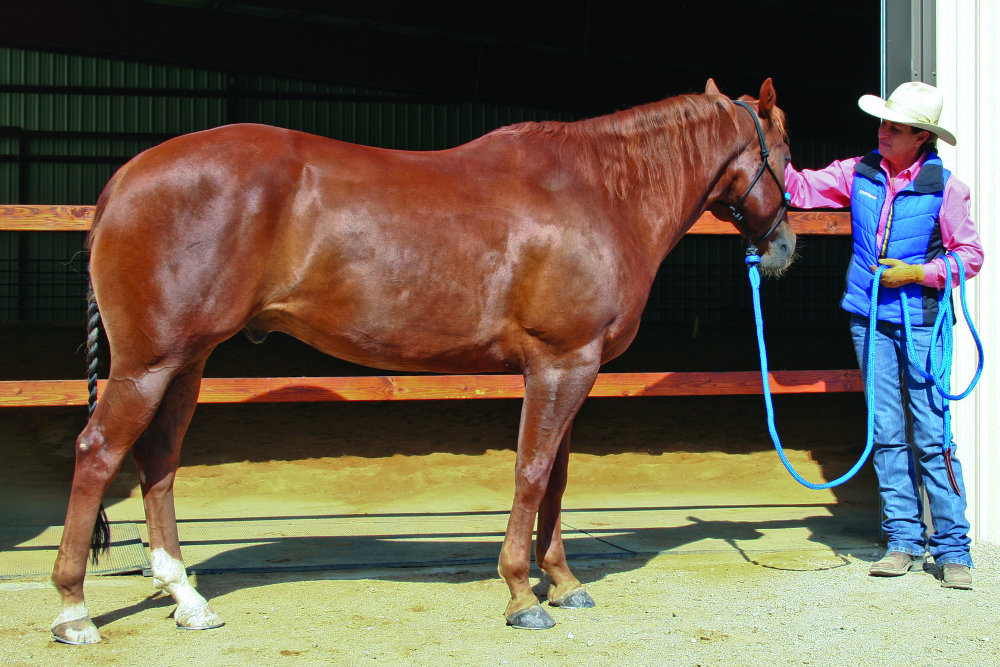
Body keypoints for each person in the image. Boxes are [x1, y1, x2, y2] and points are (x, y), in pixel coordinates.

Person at [783, 81, 984, 589]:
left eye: (895, 127)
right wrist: (758, 149)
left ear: (920, 137)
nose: (883, 132)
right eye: (883, 123)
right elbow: (801, 188)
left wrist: (917, 275)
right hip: (869, 320)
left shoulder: (946, 188)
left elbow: (970, 256)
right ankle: (902, 542)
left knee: (933, 436)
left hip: (922, 321)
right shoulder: (860, 172)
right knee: (888, 433)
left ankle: (953, 547)